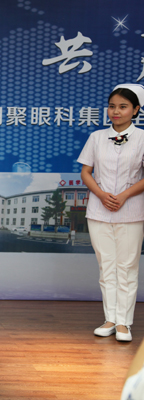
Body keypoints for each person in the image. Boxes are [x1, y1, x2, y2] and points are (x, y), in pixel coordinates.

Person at [77, 83, 144, 342]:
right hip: (99, 210)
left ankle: (124, 323)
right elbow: (86, 171)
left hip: (132, 210)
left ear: (135, 110)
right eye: (112, 106)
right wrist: (102, 195)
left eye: (123, 107)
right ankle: (110, 319)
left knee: (127, 266)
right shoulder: (96, 137)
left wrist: (124, 195)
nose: (116, 111)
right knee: (106, 266)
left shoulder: (142, 138)